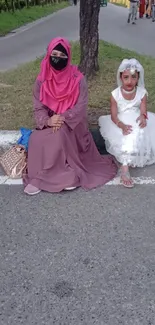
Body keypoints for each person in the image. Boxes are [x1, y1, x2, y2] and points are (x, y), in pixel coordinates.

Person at [24, 37, 117, 195]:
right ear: (48, 55)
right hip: (50, 122)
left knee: (59, 135)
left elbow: (80, 107)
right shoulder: (41, 80)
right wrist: (48, 120)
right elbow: (38, 106)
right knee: (36, 138)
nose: (57, 59)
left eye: (62, 56)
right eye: (54, 54)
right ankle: (43, 177)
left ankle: (63, 177)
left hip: (73, 124)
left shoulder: (78, 79)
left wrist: (62, 118)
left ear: (68, 58)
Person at [99, 58, 155, 188]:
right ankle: (125, 168)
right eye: (126, 77)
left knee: (139, 130)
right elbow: (113, 115)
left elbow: (143, 109)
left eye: (133, 77)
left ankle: (131, 160)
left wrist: (142, 116)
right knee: (127, 135)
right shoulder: (115, 94)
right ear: (121, 77)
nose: (130, 81)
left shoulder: (141, 93)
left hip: (136, 118)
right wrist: (121, 125)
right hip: (120, 120)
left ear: (138, 78)